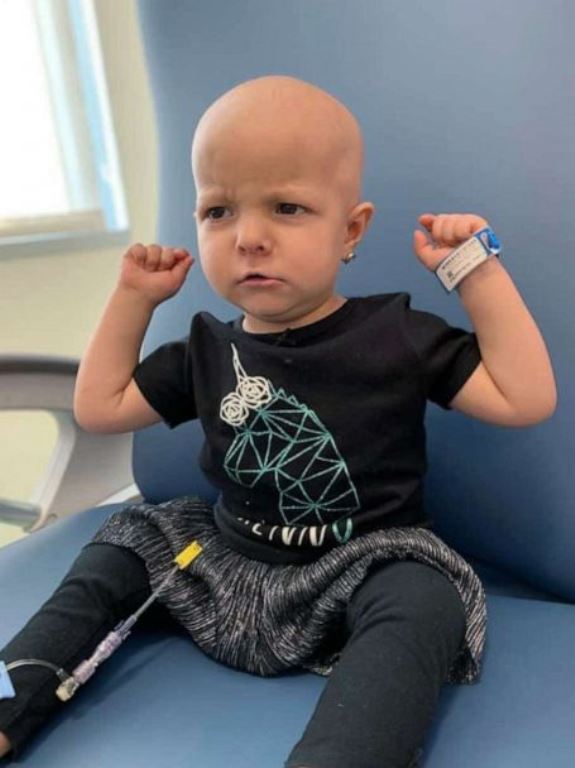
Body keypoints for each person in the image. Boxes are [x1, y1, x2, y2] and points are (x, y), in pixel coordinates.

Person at [0, 75, 557, 767]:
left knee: (425, 596)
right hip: (217, 562)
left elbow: (523, 398)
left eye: (287, 208)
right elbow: (99, 408)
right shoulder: (204, 350)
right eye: (218, 211)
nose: (249, 238)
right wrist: (132, 299)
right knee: (123, 544)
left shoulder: (397, 334)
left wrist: (475, 272)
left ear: (350, 229)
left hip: (359, 567)